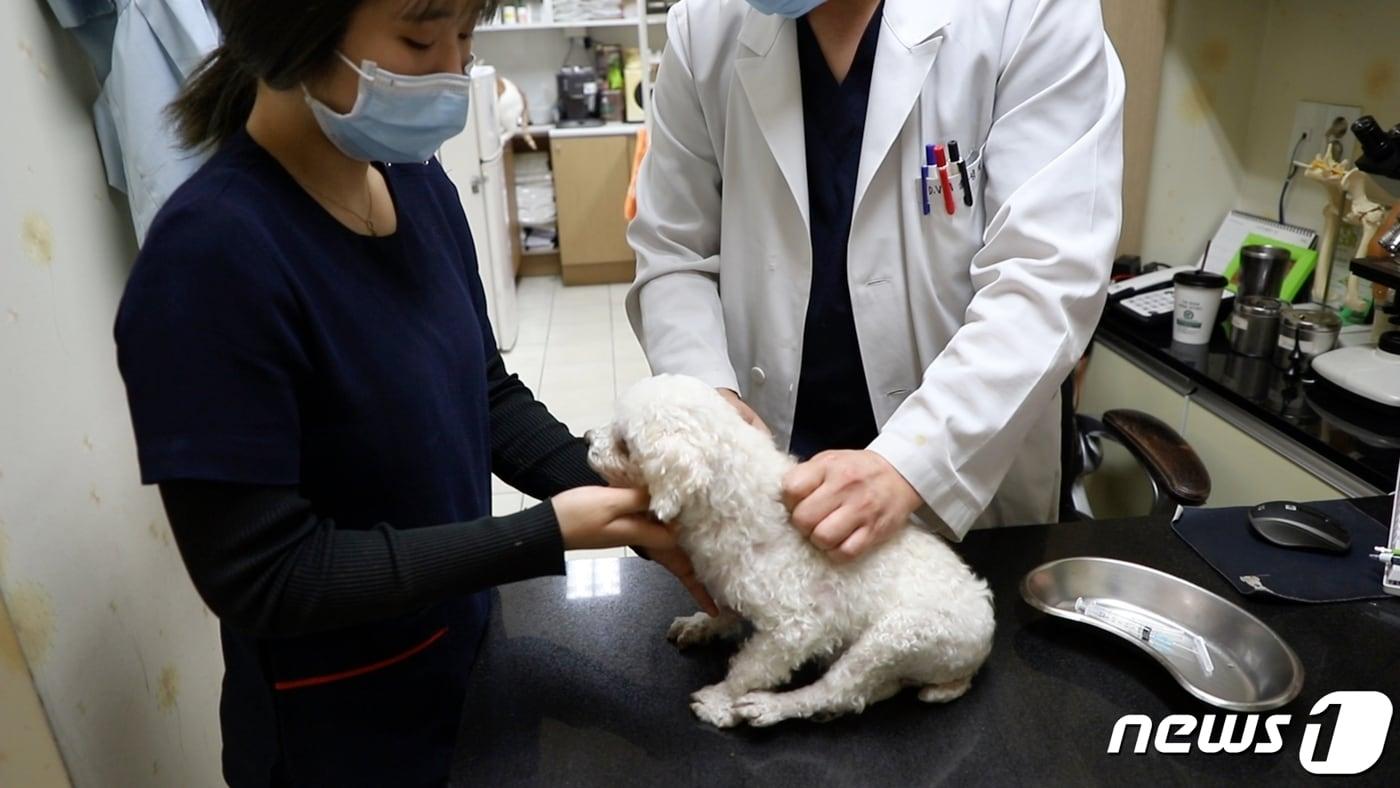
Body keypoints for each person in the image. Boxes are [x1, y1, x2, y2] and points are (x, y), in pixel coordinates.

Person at [113, 1, 710, 784]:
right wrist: (547, 533)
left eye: (464, 38)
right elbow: (268, 575)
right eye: (421, 39)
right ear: (293, 34)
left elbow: (484, 392)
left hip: (464, 666)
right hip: (342, 734)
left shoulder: (417, 187)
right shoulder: (209, 261)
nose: (454, 72)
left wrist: (633, 505)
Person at [628, 0, 1125, 558]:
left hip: (961, 474)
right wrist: (707, 394)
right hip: (771, 481)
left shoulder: (1029, 12)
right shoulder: (704, 24)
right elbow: (674, 248)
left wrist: (913, 460)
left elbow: (1045, 274)